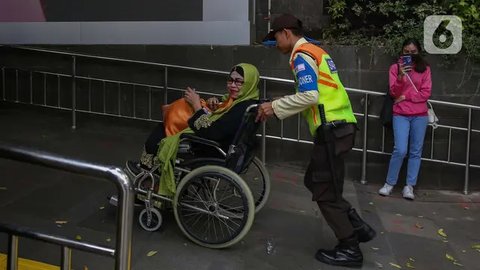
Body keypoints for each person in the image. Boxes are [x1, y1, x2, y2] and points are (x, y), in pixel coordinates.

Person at [257, 14, 375, 268]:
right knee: (316, 180)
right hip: (339, 129)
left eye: (276, 37)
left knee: (325, 192)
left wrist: (273, 107)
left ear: (286, 33)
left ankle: (350, 247)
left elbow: (310, 96)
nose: (276, 43)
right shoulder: (315, 51)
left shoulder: (302, 56)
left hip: (333, 130)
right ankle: (355, 224)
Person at [126, 63, 260, 195]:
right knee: (168, 124)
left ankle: (148, 177)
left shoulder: (241, 108)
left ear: (249, 83)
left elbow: (212, 132)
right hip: (223, 145)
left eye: (238, 82)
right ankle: (148, 173)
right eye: (230, 80)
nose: (232, 85)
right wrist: (216, 105)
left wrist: (196, 105)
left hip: (210, 147)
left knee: (162, 131)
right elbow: (225, 115)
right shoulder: (247, 101)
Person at [378, 38, 432, 200]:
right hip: (400, 113)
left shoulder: (425, 69)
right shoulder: (395, 68)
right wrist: (401, 76)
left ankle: (409, 186)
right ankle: (389, 183)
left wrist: (405, 96)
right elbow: (394, 93)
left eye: (413, 52)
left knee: (415, 151)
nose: (410, 55)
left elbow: (425, 93)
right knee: (400, 149)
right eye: (406, 52)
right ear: (402, 52)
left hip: (420, 115)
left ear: (419, 52)